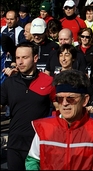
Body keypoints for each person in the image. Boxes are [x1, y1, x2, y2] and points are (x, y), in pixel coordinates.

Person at [25, 69, 93, 170]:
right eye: (60, 99)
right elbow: (32, 160)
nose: (64, 103)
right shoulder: (43, 129)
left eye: (70, 98)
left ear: (85, 100)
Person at [1, 42, 56, 170]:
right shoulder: (9, 83)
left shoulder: (49, 82)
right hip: (14, 143)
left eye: (24, 57)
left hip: (38, 144)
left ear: (35, 58)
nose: (20, 62)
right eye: (18, 58)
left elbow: (59, 108)